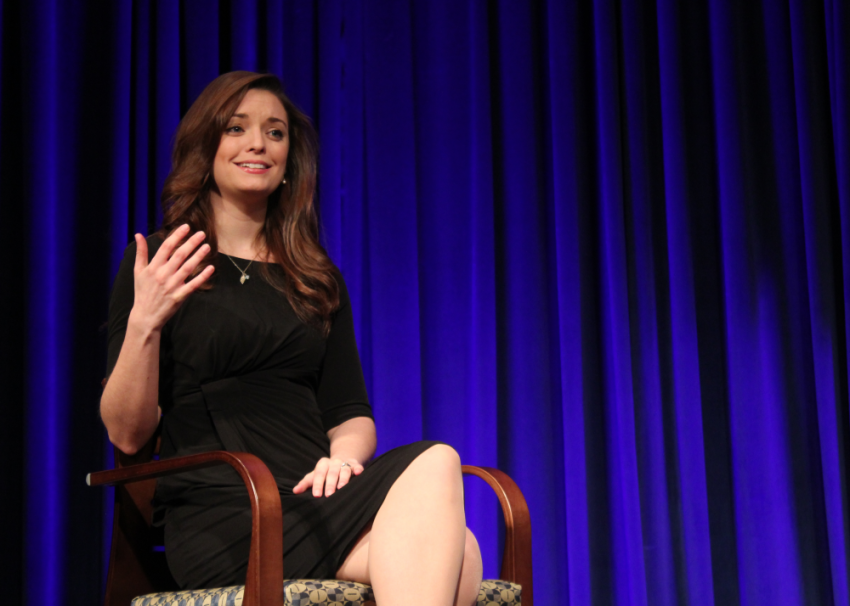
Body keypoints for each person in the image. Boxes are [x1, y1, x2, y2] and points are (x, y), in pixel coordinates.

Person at [100, 71, 483, 605]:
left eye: (275, 132)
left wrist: (343, 458)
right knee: (441, 482)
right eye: (237, 128)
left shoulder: (313, 274)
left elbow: (349, 412)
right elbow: (125, 433)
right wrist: (145, 323)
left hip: (314, 501)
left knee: (457, 549)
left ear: (289, 160)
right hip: (228, 511)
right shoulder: (165, 262)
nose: (258, 143)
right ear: (206, 146)